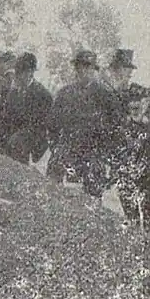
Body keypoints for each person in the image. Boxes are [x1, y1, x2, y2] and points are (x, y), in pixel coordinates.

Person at [47, 49, 118, 198]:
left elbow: (115, 125)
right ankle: (52, 206)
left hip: (93, 148)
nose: (83, 71)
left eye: (88, 67)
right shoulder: (64, 94)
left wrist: (104, 150)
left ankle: (93, 210)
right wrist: (56, 146)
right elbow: (52, 123)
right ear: (76, 69)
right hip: (69, 145)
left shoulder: (105, 95)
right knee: (54, 168)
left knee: (94, 174)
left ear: (93, 69)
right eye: (80, 67)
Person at [0, 52, 53, 164]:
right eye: (17, 72)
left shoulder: (43, 95)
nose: (17, 76)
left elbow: (42, 127)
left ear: (30, 72)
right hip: (12, 145)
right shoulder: (13, 94)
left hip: (32, 150)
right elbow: (5, 120)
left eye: (21, 72)